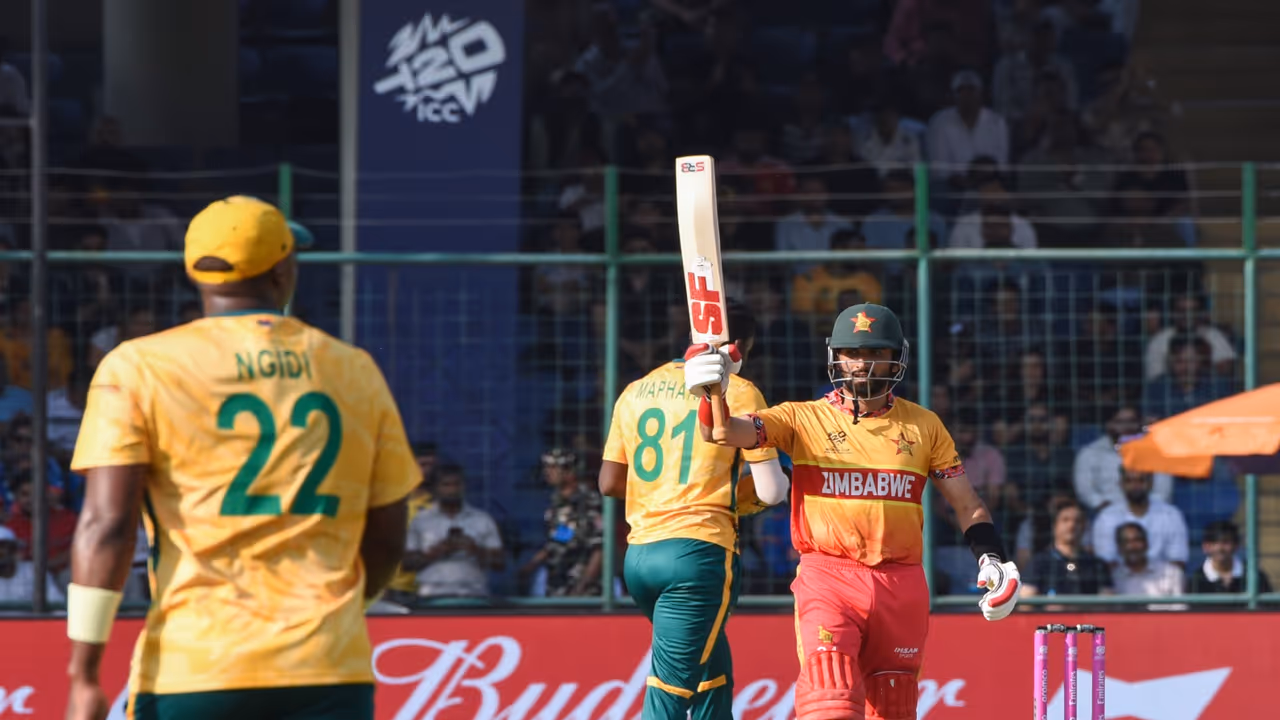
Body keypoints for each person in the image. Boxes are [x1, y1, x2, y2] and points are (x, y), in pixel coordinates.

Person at [65, 196, 420, 720]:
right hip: (327, 667)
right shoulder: (354, 369)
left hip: (196, 668)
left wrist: (84, 674)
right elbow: (389, 529)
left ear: (195, 272)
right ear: (283, 272)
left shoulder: (138, 367)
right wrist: (335, 614)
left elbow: (105, 526)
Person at [682, 302, 1019, 720]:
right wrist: (710, 391)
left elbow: (968, 505)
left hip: (902, 585)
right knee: (831, 700)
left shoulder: (924, 426)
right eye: (852, 353)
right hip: (829, 578)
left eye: (875, 353)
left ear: (896, 357)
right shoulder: (801, 418)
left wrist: (994, 558)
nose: (862, 364)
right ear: (835, 356)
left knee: (893, 707)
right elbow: (721, 431)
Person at [599, 299, 788, 720]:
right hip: (699, 554)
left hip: (639, 558)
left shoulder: (636, 389)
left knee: (711, 674)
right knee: (669, 691)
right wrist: (742, 498)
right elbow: (772, 491)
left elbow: (609, 483)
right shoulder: (739, 390)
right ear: (740, 346)